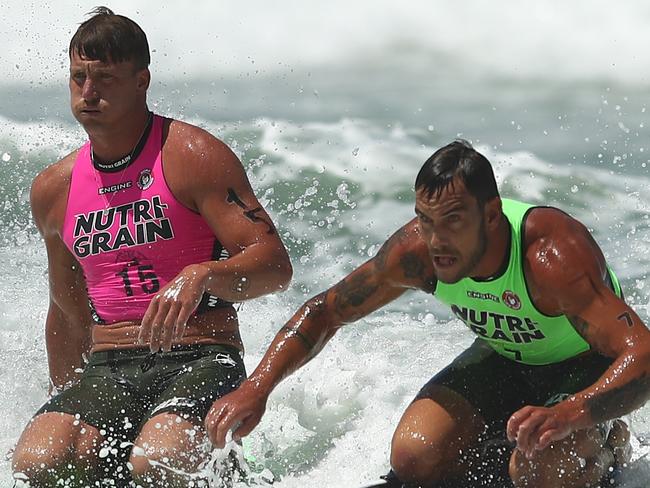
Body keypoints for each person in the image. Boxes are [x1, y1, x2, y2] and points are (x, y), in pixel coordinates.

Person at [206, 140, 649, 488]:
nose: (437, 240)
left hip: (582, 365)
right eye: (426, 220)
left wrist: (572, 413)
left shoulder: (549, 258)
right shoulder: (417, 253)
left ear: (491, 216)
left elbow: (642, 356)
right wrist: (256, 387)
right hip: (508, 356)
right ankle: (514, 456)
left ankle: (606, 443)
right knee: (414, 459)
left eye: (453, 221)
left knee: (542, 468)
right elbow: (325, 312)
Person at [11, 7, 292, 488]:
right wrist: (68, 402)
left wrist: (202, 275)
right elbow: (68, 310)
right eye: (78, 78)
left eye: (105, 79)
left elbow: (274, 266)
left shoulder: (192, 157)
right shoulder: (54, 189)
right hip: (109, 364)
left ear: (142, 80)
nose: (88, 93)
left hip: (201, 354)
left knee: (158, 460)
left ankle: (224, 469)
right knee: (41, 458)